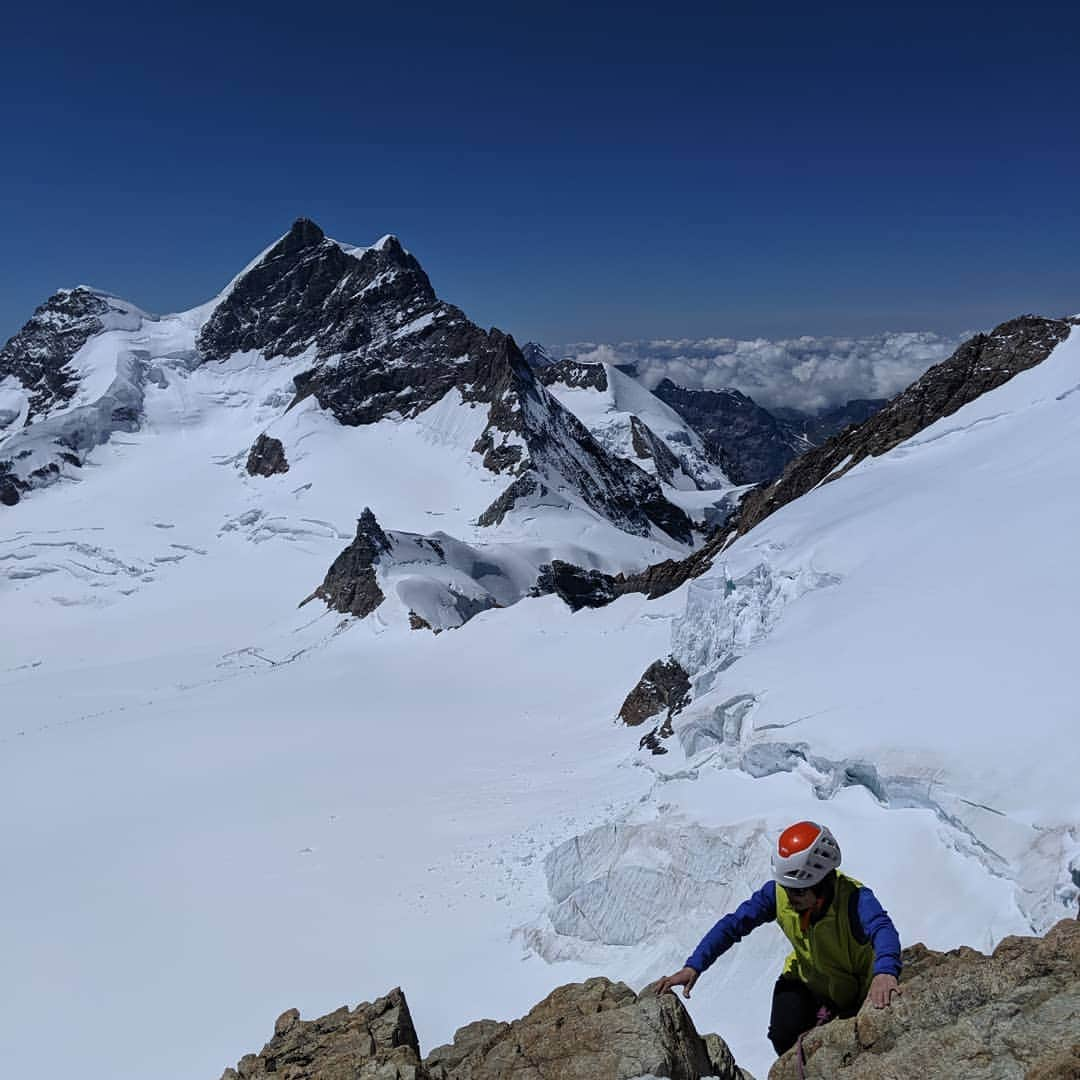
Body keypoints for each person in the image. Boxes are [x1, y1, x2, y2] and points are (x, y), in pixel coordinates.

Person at [657, 821, 902, 1057]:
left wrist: (885, 971)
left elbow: (882, 928)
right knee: (782, 1036)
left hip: (852, 990)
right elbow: (733, 925)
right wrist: (694, 966)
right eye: (785, 887)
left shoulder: (855, 899)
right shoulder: (777, 895)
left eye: (798, 890)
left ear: (823, 883)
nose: (790, 896)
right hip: (805, 979)